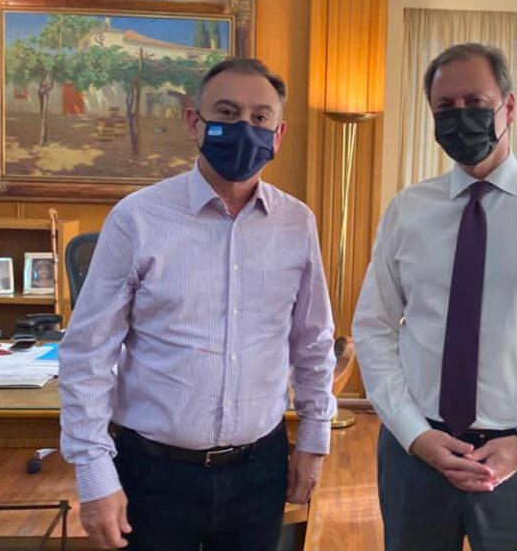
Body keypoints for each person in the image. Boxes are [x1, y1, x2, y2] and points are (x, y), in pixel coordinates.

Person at [60, 58, 337, 551]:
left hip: (260, 471)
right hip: (154, 474)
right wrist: (95, 475)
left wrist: (314, 442)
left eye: (260, 118)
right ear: (194, 122)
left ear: (278, 134)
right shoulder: (137, 218)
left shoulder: (297, 223)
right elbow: (88, 354)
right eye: (226, 113)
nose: (244, 128)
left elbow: (313, 342)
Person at [352, 43, 517, 551]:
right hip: (417, 454)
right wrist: (412, 433)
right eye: (445, 107)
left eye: (475, 102)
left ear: (508, 107)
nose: (460, 117)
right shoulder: (408, 210)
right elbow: (374, 327)